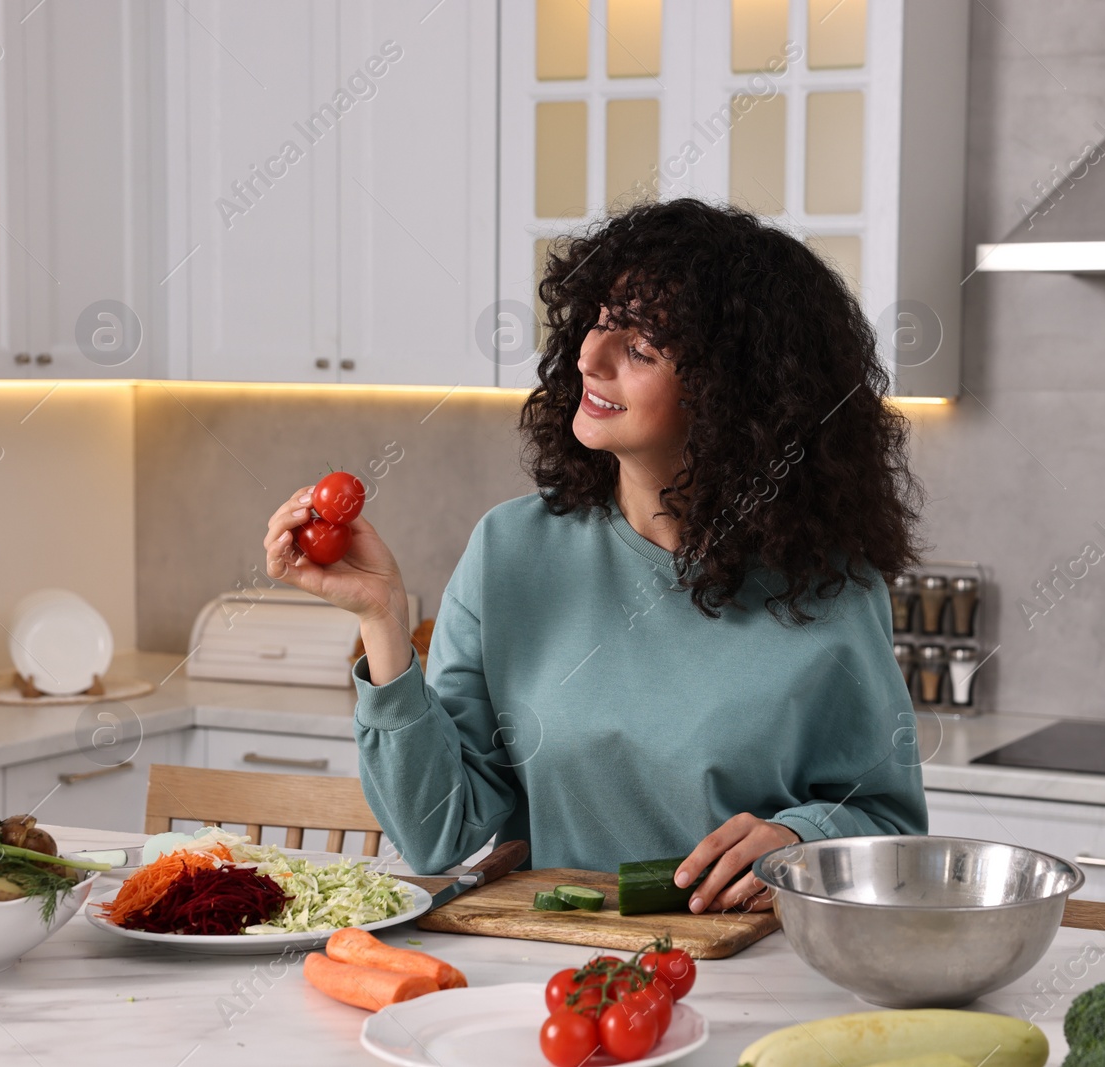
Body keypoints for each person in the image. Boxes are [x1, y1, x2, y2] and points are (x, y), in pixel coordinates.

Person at [263, 198, 927, 914]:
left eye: (639, 350)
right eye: (600, 322)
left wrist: (798, 836)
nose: (589, 356)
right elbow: (435, 833)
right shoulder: (510, 549)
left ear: (734, 399)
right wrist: (383, 617)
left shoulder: (830, 585)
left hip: (754, 971)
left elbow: (887, 824)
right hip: (554, 973)